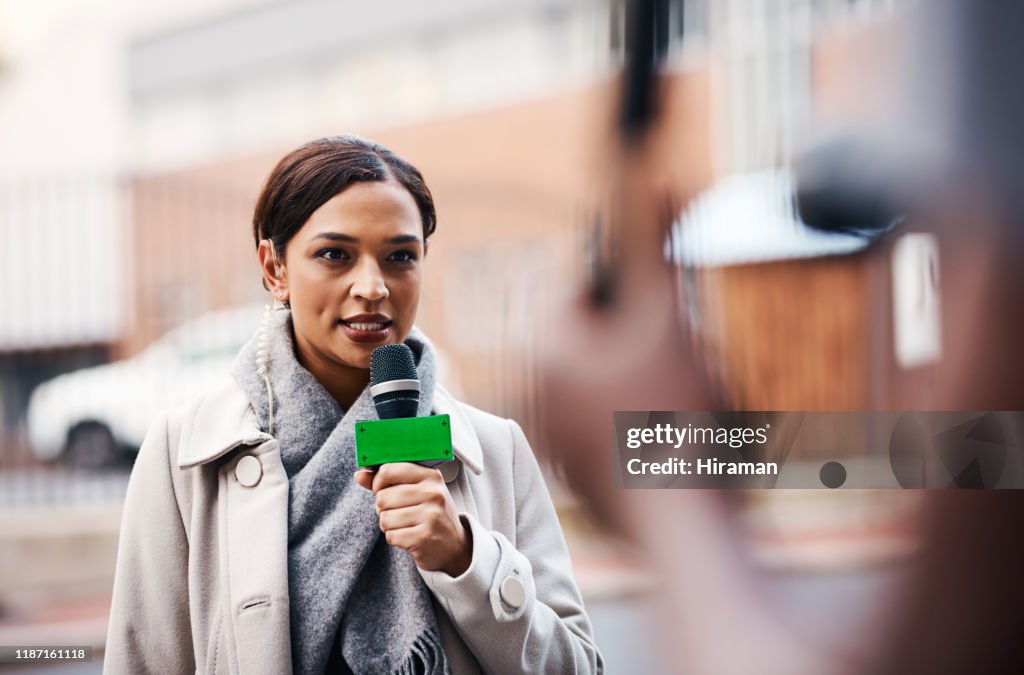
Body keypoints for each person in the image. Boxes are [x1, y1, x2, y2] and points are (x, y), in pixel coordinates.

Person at [104, 136, 602, 675]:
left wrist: (466, 559)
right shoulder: (183, 455)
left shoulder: (497, 449)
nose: (372, 287)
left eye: (400, 256)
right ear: (274, 269)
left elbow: (578, 666)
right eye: (335, 255)